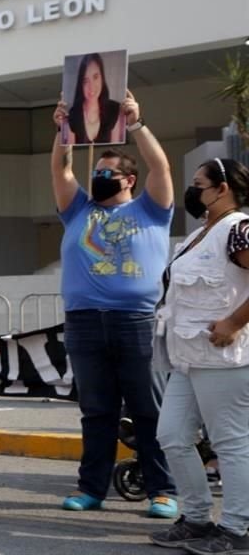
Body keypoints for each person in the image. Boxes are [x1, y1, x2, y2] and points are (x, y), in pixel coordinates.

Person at [51, 90, 178, 517]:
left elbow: (160, 166)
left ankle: (162, 489)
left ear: (129, 180)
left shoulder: (152, 210)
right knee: (96, 411)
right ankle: (91, 490)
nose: (99, 176)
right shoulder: (78, 211)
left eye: (109, 172)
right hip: (84, 322)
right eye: (97, 170)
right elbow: (61, 167)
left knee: (148, 410)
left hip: (136, 321)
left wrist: (137, 123)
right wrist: (64, 131)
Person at [149, 158, 249, 553]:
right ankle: (196, 518)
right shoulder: (198, 235)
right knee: (171, 436)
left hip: (225, 359)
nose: (192, 191)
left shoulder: (238, 230)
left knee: (231, 444)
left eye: (198, 184)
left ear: (222, 188)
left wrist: (234, 323)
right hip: (187, 359)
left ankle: (237, 529)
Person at [66, 53, 124, 145]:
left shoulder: (115, 109)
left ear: (102, 78)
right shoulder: (72, 115)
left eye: (95, 77)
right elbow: (68, 155)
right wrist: (59, 127)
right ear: (81, 84)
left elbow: (115, 150)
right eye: (85, 81)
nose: (91, 86)